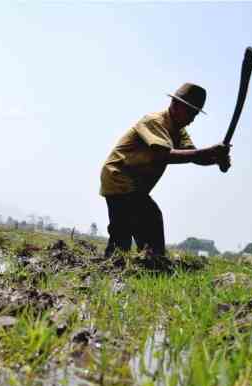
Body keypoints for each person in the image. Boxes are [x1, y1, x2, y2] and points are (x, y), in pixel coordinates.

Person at [99, 83, 231, 257]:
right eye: (190, 112)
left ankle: (147, 262)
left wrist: (217, 159)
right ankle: (150, 262)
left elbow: (193, 156)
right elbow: (163, 155)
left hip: (135, 185)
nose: (192, 119)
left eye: (195, 114)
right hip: (119, 177)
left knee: (131, 229)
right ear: (175, 105)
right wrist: (209, 152)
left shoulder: (179, 130)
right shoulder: (154, 121)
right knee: (145, 220)